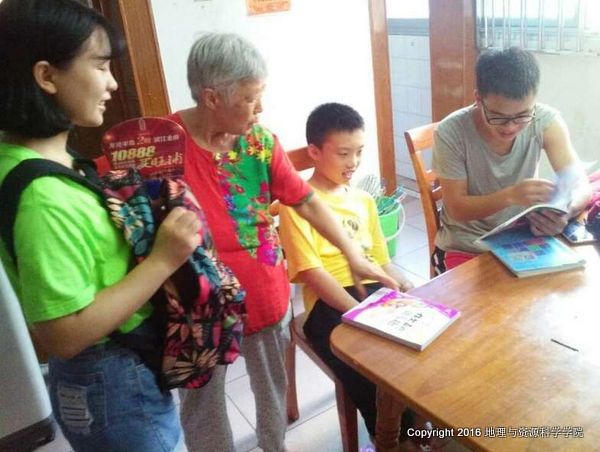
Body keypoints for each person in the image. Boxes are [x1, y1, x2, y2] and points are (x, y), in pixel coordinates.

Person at [168, 34, 398, 452]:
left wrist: (352, 253)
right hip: (197, 302)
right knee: (203, 404)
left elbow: (305, 200)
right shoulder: (163, 146)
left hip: (263, 294)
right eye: (250, 98)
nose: (260, 108)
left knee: (271, 388)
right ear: (212, 97)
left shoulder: (259, 141)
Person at [0, 1, 200, 450]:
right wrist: (165, 259)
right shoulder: (42, 196)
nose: (112, 83)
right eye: (101, 65)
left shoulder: (35, 159)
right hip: (113, 379)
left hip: (111, 375)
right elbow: (62, 334)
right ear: (46, 76)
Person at [277, 103, 415, 445]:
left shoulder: (364, 201)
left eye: (359, 152)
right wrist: (360, 312)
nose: (353, 162)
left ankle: (415, 432)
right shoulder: (296, 205)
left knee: (417, 355)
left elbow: (382, 262)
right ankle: (389, 438)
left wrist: (404, 285)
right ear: (314, 152)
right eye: (343, 153)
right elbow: (312, 274)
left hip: (372, 292)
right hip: (330, 303)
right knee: (368, 369)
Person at [431, 46, 591, 275]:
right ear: (479, 99)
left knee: (571, 285)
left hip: (523, 238)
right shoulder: (451, 132)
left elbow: (580, 184)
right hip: (466, 245)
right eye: (498, 117)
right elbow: (456, 208)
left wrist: (565, 213)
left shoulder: (545, 121)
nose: (511, 127)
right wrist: (509, 196)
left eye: (522, 115)